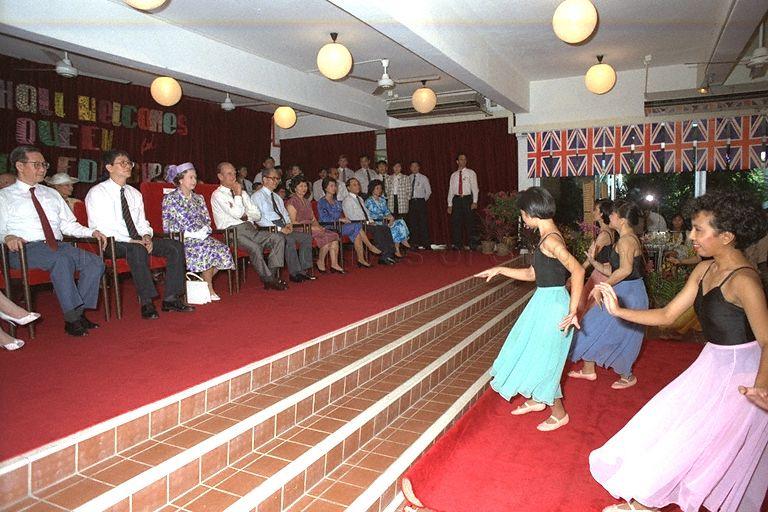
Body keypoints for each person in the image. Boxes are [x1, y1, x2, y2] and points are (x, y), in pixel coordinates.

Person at [591, 188, 768, 512]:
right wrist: (618, 311)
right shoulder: (704, 269)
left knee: (702, 442)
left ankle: (644, 506)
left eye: (698, 230)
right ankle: (646, 503)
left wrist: (760, 387)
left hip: (742, 377)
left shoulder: (745, 281)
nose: (691, 236)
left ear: (727, 236)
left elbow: (767, 340)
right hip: (711, 363)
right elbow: (668, 315)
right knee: (669, 425)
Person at [475, 187, 584, 432]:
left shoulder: (552, 240)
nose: (522, 218)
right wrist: (500, 270)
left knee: (545, 359)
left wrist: (572, 310)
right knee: (534, 352)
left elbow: (578, 270)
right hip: (544, 300)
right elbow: (532, 274)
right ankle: (538, 398)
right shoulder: (547, 236)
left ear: (531, 213)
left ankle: (559, 414)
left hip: (553, 305)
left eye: (523, 214)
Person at [1, 145, 106, 336]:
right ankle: (72, 319)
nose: (43, 169)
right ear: (19, 166)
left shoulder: (51, 194)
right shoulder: (4, 196)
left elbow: (68, 225)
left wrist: (92, 232)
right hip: (24, 250)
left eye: (44, 164)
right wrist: (7, 236)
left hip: (56, 245)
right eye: (37, 164)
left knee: (94, 262)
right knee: (61, 260)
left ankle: (78, 313)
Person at [86, 150, 194, 319]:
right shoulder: (97, 193)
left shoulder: (134, 193)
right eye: (122, 163)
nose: (128, 166)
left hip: (137, 240)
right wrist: (132, 241)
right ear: (109, 167)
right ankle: (147, 302)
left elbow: (142, 222)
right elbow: (101, 227)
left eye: (129, 163)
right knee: (137, 249)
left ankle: (171, 298)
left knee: (175, 246)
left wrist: (146, 236)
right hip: (112, 242)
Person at [569, 200, 649, 389]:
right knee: (592, 325)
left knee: (625, 334)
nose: (609, 216)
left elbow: (625, 270)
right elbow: (612, 269)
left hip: (630, 294)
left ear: (621, 220)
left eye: (612, 214)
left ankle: (627, 375)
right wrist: (593, 262)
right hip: (621, 290)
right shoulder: (624, 239)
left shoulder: (627, 240)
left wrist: (602, 286)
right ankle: (589, 368)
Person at [161, 162, 234, 300]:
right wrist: (191, 234)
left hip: (201, 236)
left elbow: (206, 218)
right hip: (182, 239)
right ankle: (209, 288)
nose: (194, 181)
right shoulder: (170, 199)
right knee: (205, 249)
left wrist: (205, 229)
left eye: (195, 177)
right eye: (190, 177)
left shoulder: (199, 198)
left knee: (223, 249)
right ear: (180, 180)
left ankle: (201, 280)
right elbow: (168, 226)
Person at [211, 162, 287, 291]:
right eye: (229, 174)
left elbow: (256, 215)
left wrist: (245, 215)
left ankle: (270, 277)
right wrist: (238, 195)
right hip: (232, 233)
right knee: (255, 248)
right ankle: (270, 279)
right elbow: (238, 213)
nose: (233, 176)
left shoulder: (244, 193)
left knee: (278, 238)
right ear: (220, 176)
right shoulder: (218, 195)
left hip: (250, 229)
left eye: (234, 173)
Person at [251, 168, 315, 283]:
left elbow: (284, 213)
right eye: (273, 178)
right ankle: (295, 273)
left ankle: (304, 270)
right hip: (269, 229)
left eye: (278, 179)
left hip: (283, 226)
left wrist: (288, 223)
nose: (276, 181)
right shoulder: (257, 196)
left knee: (306, 237)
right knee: (289, 240)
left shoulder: (277, 197)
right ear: (264, 179)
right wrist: (280, 229)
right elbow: (260, 219)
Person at [317, 177, 380, 268]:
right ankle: (369, 247)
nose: (334, 188)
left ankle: (361, 259)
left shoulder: (337, 202)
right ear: (325, 188)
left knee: (356, 228)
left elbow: (341, 215)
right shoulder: (321, 202)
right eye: (331, 186)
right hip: (328, 226)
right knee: (356, 229)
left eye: (335, 186)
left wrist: (344, 219)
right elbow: (324, 218)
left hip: (338, 226)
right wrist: (339, 219)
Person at [285, 177, 344, 274]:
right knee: (327, 237)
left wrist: (318, 226)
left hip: (310, 227)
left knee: (333, 235)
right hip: (300, 228)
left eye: (305, 186)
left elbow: (313, 219)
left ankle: (334, 264)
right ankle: (320, 262)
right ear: (295, 188)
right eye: (301, 186)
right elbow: (293, 222)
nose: (304, 188)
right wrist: (312, 227)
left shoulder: (307, 201)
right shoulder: (292, 202)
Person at [342, 178, 396, 265]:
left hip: (366, 223)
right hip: (357, 225)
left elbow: (367, 213)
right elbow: (352, 217)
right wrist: (367, 222)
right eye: (354, 185)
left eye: (358, 184)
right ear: (348, 188)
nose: (358, 186)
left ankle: (388, 254)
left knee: (385, 228)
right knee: (378, 229)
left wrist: (371, 220)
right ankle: (383, 255)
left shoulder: (360, 199)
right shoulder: (347, 200)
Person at [577, 199, 617, 316]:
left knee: (585, 303)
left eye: (595, 210)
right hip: (603, 271)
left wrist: (577, 272)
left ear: (601, 214)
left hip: (600, 273)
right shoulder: (609, 231)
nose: (593, 212)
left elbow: (590, 259)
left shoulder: (604, 234)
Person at [366, 180, 410, 258]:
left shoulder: (382, 200)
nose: (379, 190)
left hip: (385, 221)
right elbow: (370, 216)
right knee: (396, 227)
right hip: (376, 222)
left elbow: (387, 212)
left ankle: (400, 244)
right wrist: (385, 218)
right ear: (372, 189)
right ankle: (399, 245)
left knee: (400, 221)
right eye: (377, 188)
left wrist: (391, 217)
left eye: (380, 188)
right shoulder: (368, 201)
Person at [447, 153, 479, 250]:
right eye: (461, 159)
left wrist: (475, 201)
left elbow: (475, 188)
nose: (463, 161)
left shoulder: (471, 173)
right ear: (457, 161)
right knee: (456, 223)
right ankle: (457, 244)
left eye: (465, 159)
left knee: (470, 222)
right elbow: (451, 190)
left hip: (467, 199)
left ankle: (472, 244)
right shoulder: (453, 175)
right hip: (456, 200)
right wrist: (449, 204)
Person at [406, 161, 432, 250]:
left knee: (423, 223)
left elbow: (428, 191)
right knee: (413, 223)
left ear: (419, 167)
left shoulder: (424, 178)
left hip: (420, 202)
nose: (414, 168)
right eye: (412, 166)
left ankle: (426, 243)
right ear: (410, 168)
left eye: (416, 166)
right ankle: (414, 243)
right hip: (411, 202)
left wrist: (422, 200)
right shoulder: (408, 178)